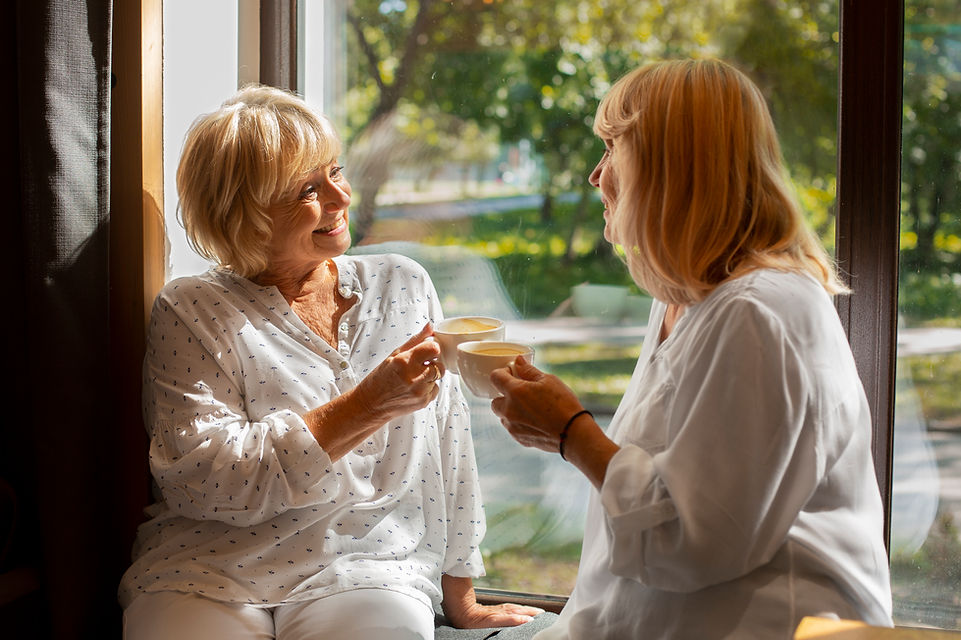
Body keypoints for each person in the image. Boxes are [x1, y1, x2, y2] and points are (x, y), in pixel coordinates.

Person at [118, 85, 543, 640]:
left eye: (335, 171)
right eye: (308, 190)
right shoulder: (192, 308)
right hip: (206, 568)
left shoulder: (402, 284)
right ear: (241, 212)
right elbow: (202, 479)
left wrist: (461, 595)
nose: (341, 198)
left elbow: (449, 445)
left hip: (367, 565)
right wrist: (366, 406)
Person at [489, 59, 894, 638]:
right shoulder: (686, 298)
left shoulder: (759, 313)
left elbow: (699, 542)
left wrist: (572, 434)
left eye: (611, 148)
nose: (595, 175)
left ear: (668, 167)